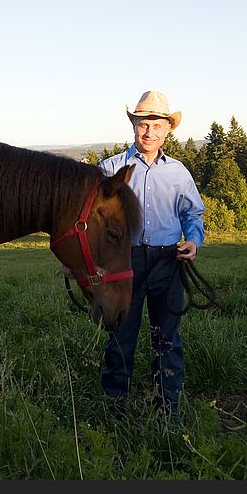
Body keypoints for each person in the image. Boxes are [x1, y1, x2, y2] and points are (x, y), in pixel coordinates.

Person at [98, 90, 205, 419]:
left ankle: (168, 411)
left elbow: (192, 214)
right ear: (134, 125)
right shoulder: (109, 169)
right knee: (120, 337)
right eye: (144, 124)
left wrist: (194, 241)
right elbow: (92, 219)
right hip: (124, 262)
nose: (150, 132)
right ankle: (115, 412)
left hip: (167, 262)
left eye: (157, 126)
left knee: (167, 338)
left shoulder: (178, 173)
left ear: (167, 130)